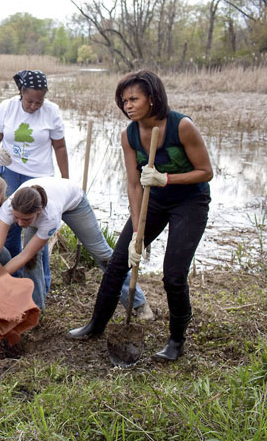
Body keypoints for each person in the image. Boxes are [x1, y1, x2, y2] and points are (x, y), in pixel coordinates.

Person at [68, 70, 212, 361]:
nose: (128, 106)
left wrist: (166, 178)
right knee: (118, 262)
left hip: (189, 202)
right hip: (153, 202)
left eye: (134, 99)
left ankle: (176, 339)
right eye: (124, 101)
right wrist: (136, 232)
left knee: (173, 275)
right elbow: (134, 183)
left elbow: (206, 172)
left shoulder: (181, 126)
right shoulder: (129, 134)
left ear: (153, 97)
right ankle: (96, 325)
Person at [0, 178, 151, 318]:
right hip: (40, 201)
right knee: (33, 263)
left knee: (102, 254)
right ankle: (36, 309)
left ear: (38, 212)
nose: (19, 224)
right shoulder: (8, 208)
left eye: (25, 220)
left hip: (74, 203)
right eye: (16, 218)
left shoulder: (49, 216)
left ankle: (138, 304)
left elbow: (24, 255)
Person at [0, 69, 68, 277]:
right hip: (11, 173)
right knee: (10, 225)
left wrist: (66, 181)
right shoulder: (7, 107)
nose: (33, 106)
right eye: (29, 101)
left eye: (38, 102)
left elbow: (60, 147)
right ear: (21, 91)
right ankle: (14, 276)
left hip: (40, 177)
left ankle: (42, 281)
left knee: (38, 231)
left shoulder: (52, 112)